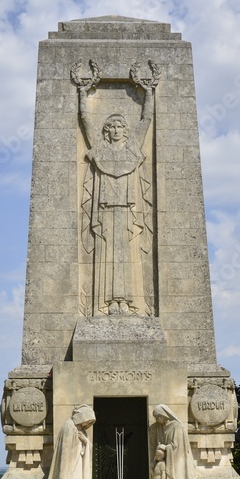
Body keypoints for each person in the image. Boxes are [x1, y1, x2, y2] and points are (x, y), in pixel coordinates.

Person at [78, 84, 154, 316]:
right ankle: (108, 303)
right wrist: (82, 93)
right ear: (106, 132)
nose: (116, 130)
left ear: (126, 131)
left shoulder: (132, 149)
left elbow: (146, 121)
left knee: (128, 257)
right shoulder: (100, 150)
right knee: (107, 257)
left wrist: (149, 94)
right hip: (106, 212)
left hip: (129, 213)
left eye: (120, 126)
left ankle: (128, 302)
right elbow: (86, 123)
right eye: (112, 127)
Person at [43, 405, 96, 479]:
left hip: (78, 464)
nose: (86, 424)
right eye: (86, 421)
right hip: (70, 465)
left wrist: (85, 442)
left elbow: (87, 446)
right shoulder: (69, 426)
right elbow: (65, 451)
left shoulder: (81, 430)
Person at [152, 405, 198, 479]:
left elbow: (177, 446)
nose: (157, 420)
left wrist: (164, 447)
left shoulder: (177, 426)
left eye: (158, 417)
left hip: (178, 463)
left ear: (163, 415)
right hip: (169, 461)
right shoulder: (163, 427)